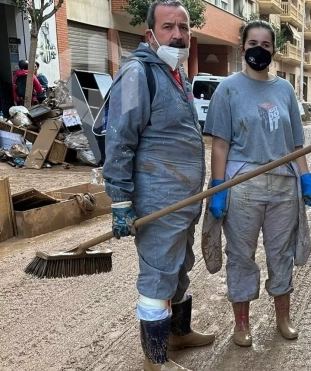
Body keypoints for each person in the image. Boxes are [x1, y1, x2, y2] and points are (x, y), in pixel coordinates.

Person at [102, 1, 214, 369]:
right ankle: (155, 360)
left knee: (179, 267)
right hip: (156, 201)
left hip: (183, 200)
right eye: (168, 27)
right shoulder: (138, 73)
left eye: (183, 27)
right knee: (158, 275)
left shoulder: (174, 72)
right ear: (150, 33)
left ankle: (178, 334)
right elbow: (119, 139)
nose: (177, 35)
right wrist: (120, 201)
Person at [203, 19, 311, 348]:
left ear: (273, 50)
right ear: (243, 47)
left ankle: (283, 317)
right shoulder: (228, 89)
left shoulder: (284, 89)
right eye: (253, 43)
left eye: (266, 45)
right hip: (243, 185)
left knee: (280, 254)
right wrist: (218, 188)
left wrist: (307, 180)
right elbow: (220, 145)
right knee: (241, 255)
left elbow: (297, 144)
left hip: (283, 185)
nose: (259, 49)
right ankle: (242, 323)